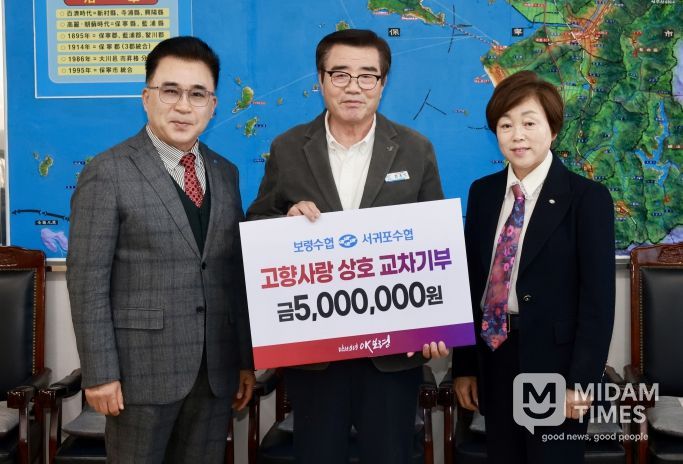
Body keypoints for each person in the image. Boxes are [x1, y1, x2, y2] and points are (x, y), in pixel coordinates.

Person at [247, 28, 449, 464]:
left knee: (391, 456)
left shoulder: (415, 150)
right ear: (320, 80)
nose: (353, 87)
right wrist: (285, 223)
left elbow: (435, 242)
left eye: (367, 76)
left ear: (383, 83)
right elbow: (257, 224)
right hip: (316, 352)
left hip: (393, 354)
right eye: (340, 75)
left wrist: (437, 324)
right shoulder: (288, 148)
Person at [67, 36, 255, 464]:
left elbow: (233, 276)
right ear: (146, 97)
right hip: (139, 376)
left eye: (197, 94)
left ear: (213, 105)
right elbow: (87, 283)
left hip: (215, 372)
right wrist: (100, 373)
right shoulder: (108, 172)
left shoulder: (225, 173)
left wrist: (244, 359)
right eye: (170, 91)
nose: (183, 106)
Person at [451, 70, 615, 463]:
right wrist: (465, 367)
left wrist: (581, 382)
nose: (517, 135)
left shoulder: (587, 198)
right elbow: (470, 285)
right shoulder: (483, 192)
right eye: (506, 125)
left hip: (555, 366)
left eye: (529, 123)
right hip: (495, 357)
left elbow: (598, 302)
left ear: (552, 130)